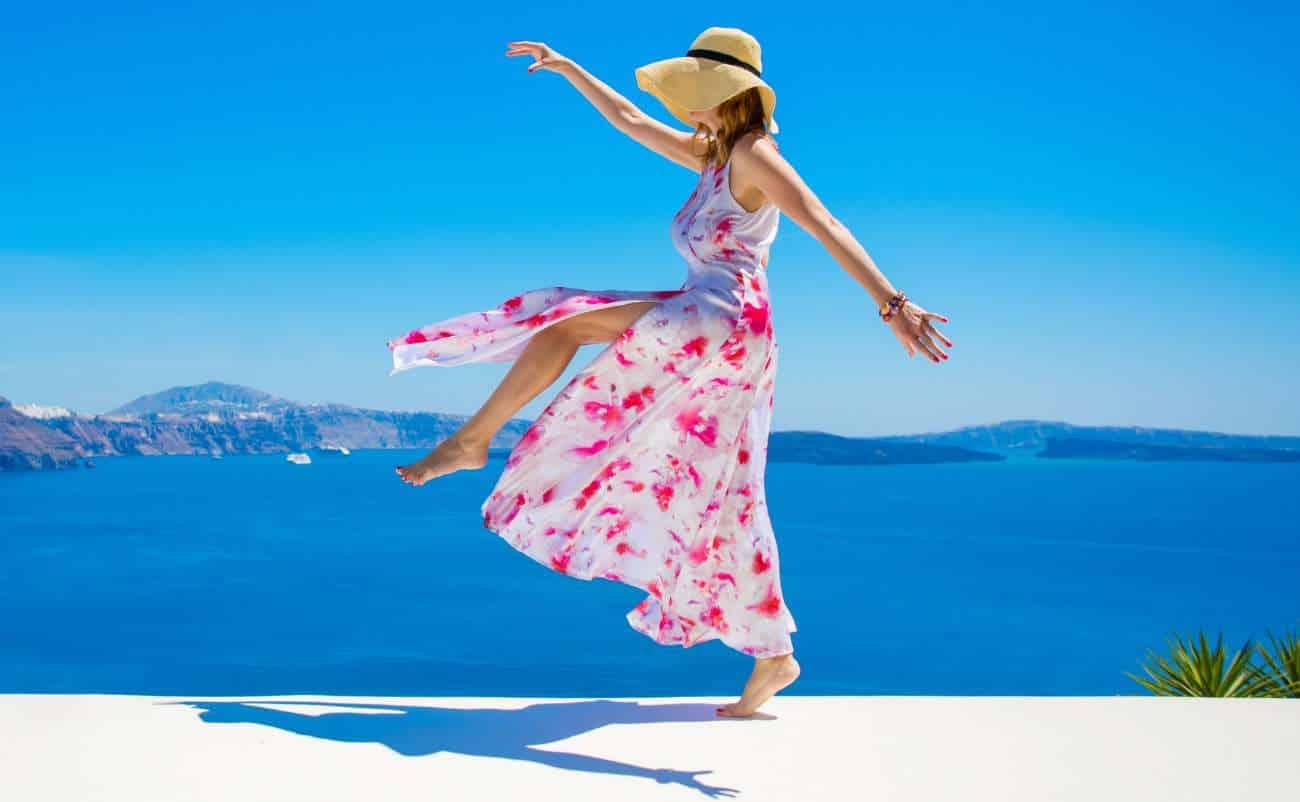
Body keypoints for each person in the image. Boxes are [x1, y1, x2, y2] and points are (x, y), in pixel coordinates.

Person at [387, 27, 953, 717]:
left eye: (696, 90)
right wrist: (569, 69)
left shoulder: (754, 154)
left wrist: (892, 305)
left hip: (726, 319)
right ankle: (772, 652)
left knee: (566, 319)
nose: (686, 104)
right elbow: (629, 119)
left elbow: (823, 222)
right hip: (712, 317)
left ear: (726, 93)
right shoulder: (711, 157)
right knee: (725, 487)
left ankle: (472, 441)